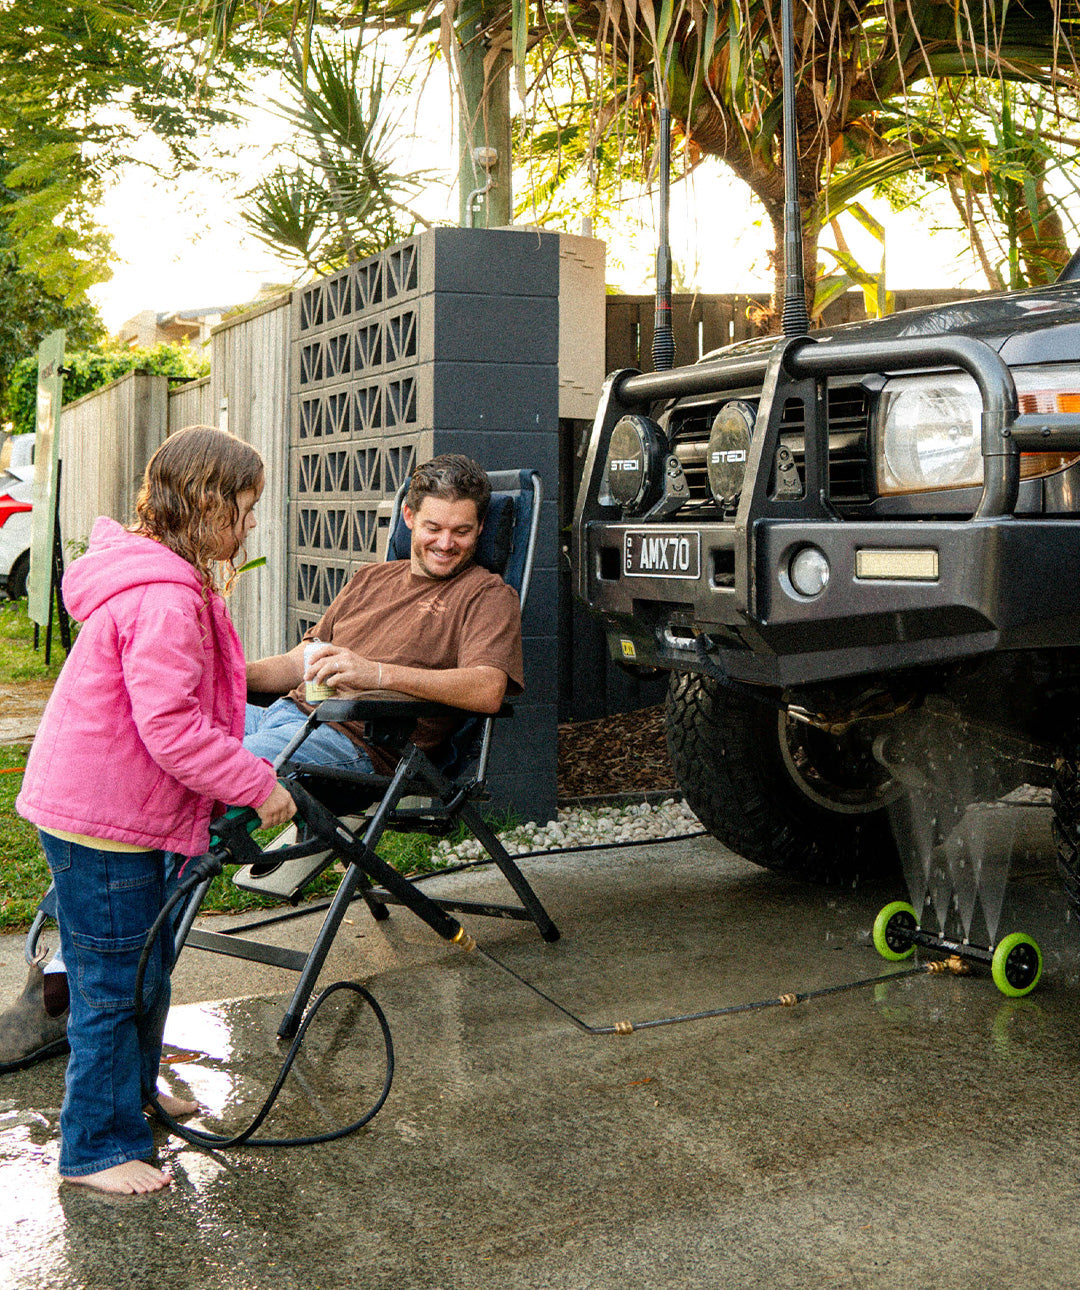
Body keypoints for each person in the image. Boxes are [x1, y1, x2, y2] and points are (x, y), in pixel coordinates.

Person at [0, 453, 524, 1130]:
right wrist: (211, 674)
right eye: (433, 527)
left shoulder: (487, 596)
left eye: (462, 531)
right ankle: (81, 968)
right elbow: (297, 666)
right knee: (138, 754)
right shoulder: (370, 580)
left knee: (192, 772)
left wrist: (375, 672)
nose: (446, 542)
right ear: (408, 519)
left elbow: (485, 687)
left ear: (480, 531)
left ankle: (67, 986)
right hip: (290, 716)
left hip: (354, 746)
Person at [13, 425, 296, 1196]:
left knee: (147, 971)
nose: (251, 524)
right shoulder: (167, 596)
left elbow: (194, 700)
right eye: (245, 507)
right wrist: (255, 782)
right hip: (100, 820)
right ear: (207, 505)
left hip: (119, 811)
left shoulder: (165, 577)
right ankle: (95, 1147)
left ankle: (130, 1100)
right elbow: (170, 727)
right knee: (111, 985)